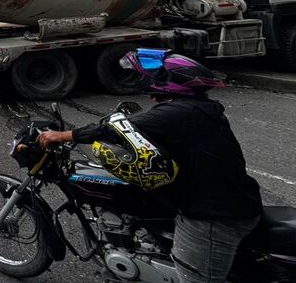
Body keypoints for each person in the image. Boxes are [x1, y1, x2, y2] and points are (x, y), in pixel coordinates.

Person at [37, 52, 261, 283]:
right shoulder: (201, 109)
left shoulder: (177, 113)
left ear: (168, 83)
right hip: (233, 199)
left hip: (212, 217)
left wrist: (62, 135)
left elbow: (116, 129)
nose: (151, 96)